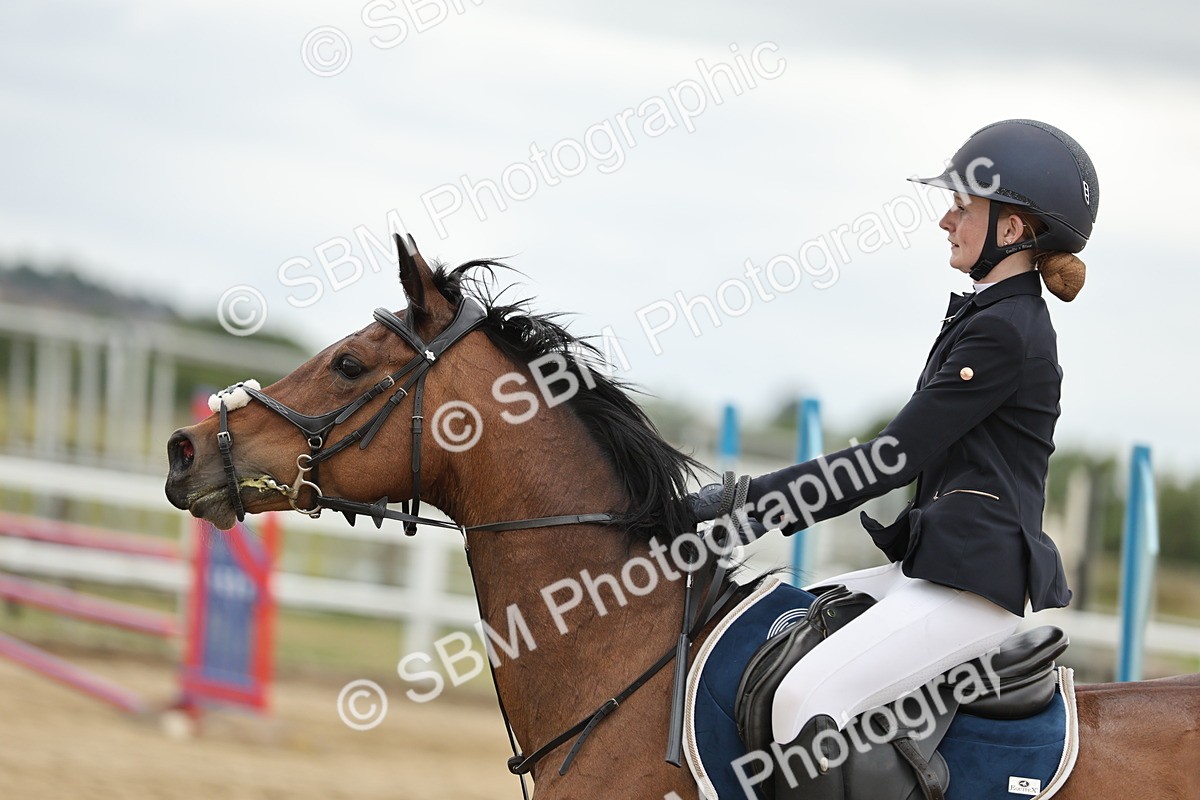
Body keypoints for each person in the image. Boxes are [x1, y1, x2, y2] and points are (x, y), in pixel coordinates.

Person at [683, 119, 1098, 798]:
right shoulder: (988, 315)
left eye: (964, 206)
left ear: (1014, 230)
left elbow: (888, 461)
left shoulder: (1004, 330)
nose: (946, 219)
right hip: (932, 572)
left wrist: (738, 505)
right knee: (780, 628)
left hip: (971, 587)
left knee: (806, 704)